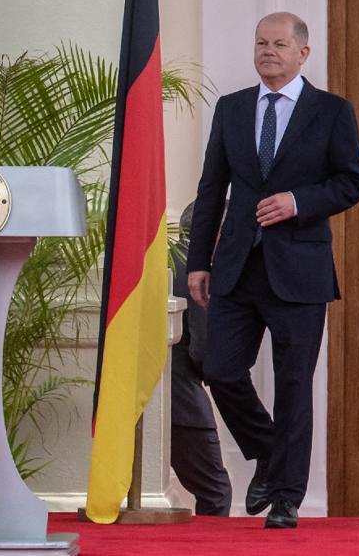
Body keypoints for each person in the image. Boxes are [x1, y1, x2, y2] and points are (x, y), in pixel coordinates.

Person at [186, 12, 359, 530]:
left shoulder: (332, 112)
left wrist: (297, 201)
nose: (269, 51)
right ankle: (269, 450)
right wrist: (199, 262)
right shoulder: (233, 108)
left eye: (280, 44)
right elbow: (210, 190)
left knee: (293, 384)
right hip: (236, 269)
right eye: (261, 43)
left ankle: (287, 498)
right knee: (219, 370)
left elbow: (352, 183)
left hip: (300, 271)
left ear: (302, 53)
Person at [170, 202, 233, 516]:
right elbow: (201, 349)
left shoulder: (165, 262)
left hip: (148, 400)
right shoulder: (200, 276)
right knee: (216, 492)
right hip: (182, 404)